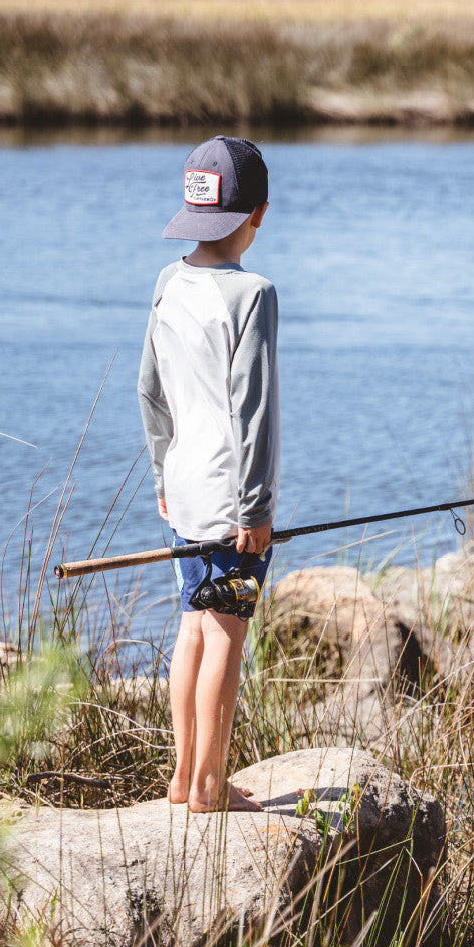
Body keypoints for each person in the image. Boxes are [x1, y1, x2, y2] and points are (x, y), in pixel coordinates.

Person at [138, 135, 279, 813]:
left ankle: (182, 777)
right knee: (226, 631)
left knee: (192, 625)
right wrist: (255, 508)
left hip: (183, 489)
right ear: (258, 214)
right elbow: (253, 410)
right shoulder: (253, 293)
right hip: (231, 496)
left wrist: (163, 472)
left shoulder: (169, 282)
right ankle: (209, 786)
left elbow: (150, 390)